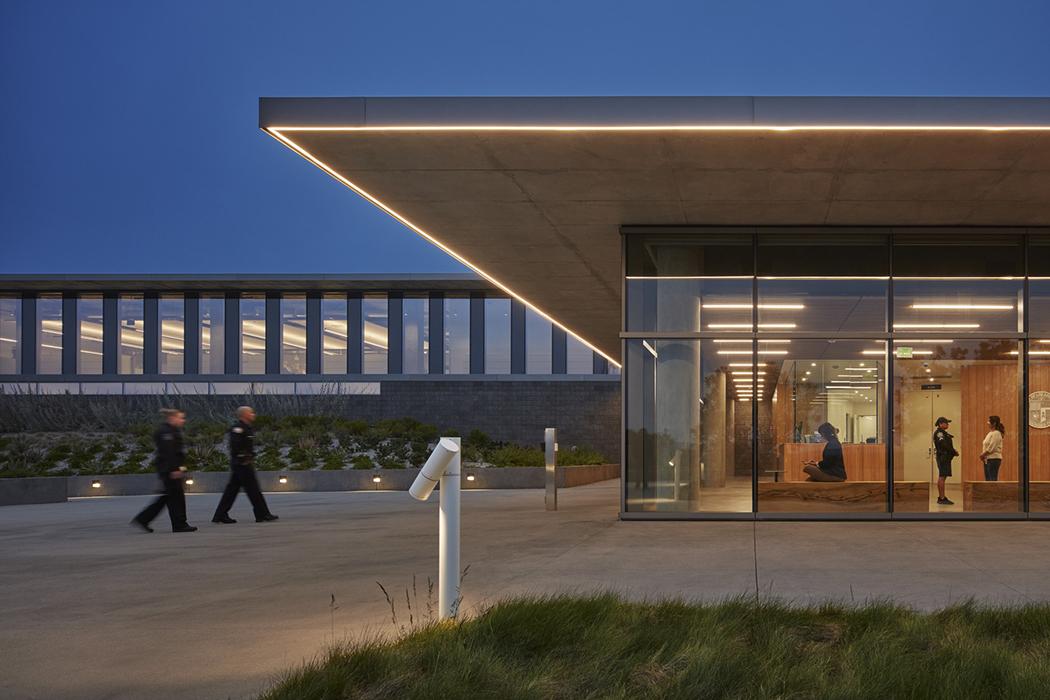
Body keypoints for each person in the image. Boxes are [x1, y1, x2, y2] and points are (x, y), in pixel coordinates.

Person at [131, 408, 197, 533]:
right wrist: (174, 469)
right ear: (172, 418)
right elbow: (168, 453)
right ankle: (179, 524)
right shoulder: (165, 432)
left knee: (168, 497)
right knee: (176, 498)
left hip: (171, 469)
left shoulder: (172, 430)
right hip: (169, 470)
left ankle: (143, 519)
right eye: (181, 417)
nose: (183, 420)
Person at [212, 406, 278, 524]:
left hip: (242, 463)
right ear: (244, 415)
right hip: (241, 464)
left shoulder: (247, 428)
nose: (253, 414)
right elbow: (236, 446)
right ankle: (262, 514)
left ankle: (220, 515)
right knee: (253, 489)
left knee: (232, 490)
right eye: (251, 412)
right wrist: (244, 458)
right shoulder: (238, 428)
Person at [933, 416, 959, 505]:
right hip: (943, 457)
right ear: (940, 424)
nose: (948, 424)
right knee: (942, 476)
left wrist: (953, 451)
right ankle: (941, 498)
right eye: (946, 423)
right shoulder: (939, 433)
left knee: (943, 476)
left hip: (945, 457)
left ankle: (942, 497)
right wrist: (953, 451)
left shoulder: (943, 433)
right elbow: (943, 444)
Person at [979, 415, 1005, 482]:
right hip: (988, 459)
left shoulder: (996, 433)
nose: (987, 423)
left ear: (994, 423)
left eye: (989, 421)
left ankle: (994, 492)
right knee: (988, 480)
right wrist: (984, 456)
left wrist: (983, 454)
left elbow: (992, 447)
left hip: (993, 459)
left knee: (992, 479)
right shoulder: (990, 433)